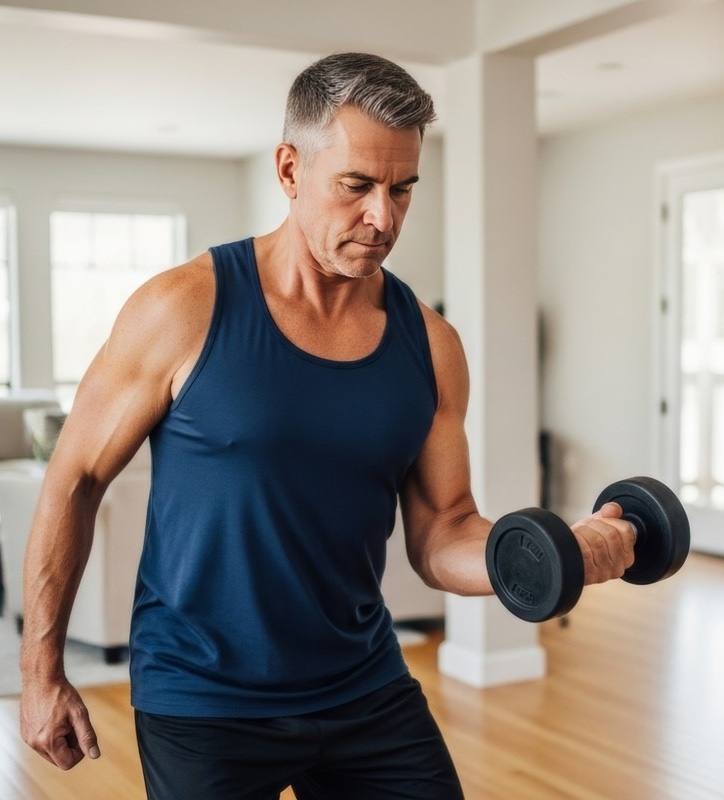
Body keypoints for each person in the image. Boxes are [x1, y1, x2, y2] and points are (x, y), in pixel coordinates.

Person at [19, 52, 635, 799]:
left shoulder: (431, 345)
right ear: (289, 169)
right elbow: (76, 477)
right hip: (204, 700)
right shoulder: (182, 309)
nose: (384, 218)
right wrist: (40, 670)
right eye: (358, 186)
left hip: (363, 686)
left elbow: (443, 532)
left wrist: (551, 555)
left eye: (403, 188)